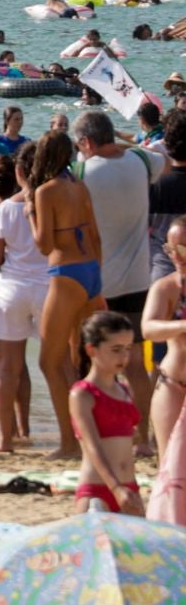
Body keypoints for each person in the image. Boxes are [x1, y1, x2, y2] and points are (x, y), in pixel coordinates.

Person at [74, 109, 159, 446]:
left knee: (97, 361)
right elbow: (162, 157)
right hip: (140, 278)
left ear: (87, 142)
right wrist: (128, 139)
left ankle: (99, 433)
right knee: (136, 363)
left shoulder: (82, 170)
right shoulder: (142, 162)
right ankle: (142, 439)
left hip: (99, 284)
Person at [31, 130, 103, 458]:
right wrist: (96, 280)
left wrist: (31, 214)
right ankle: (91, 435)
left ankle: (68, 444)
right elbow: (97, 236)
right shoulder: (80, 185)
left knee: (49, 361)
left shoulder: (45, 192)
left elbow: (45, 245)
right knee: (81, 362)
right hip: (90, 272)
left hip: (66, 274)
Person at [0, 150, 45, 454]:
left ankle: (4, 439)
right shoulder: (53, 202)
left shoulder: (7, 208)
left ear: (20, 172)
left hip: (12, 288)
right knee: (60, 364)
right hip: (49, 287)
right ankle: (67, 434)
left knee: (8, 367)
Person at [71, 310, 143, 514]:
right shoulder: (82, 394)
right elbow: (92, 446)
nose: (124, 356)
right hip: (98, 491)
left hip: (129, 488)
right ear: (91, 349)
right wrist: (116, 488)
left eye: (128, 349)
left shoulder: (125, 390)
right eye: (116, 349)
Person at [142, 216, 186, 462]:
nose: (175, 257)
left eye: (182, 248)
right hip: (173, 382)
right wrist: (181, 325)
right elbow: (148, 328)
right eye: (170, 249)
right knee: (170, 465)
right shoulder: (166, 288)